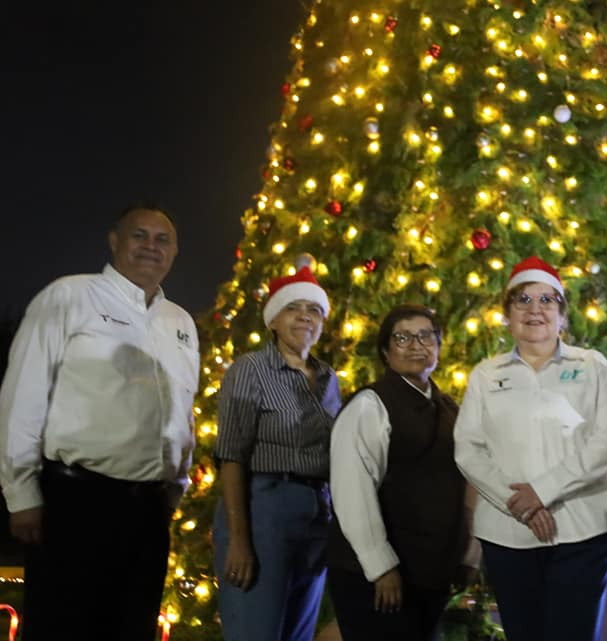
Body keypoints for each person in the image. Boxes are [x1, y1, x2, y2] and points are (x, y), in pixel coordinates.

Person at [0, 206, 198, 641]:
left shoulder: (180, 322)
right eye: (139, 235)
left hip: (148, 512)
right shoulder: (69, 297)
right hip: (77, 502)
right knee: (62, 627)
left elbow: (182, 411)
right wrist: (21, 493)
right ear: (114, 241)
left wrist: (175, 488)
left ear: (175, 251)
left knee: (132, 628)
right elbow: (23, 394)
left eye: (162, 239)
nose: (151, 246)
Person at [453, 256, 607, 641]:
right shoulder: (486, 375)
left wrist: (543, 491)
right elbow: (468, 449)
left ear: (562, 316)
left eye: (547, 300)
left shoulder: (592, 366)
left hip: (582, 532)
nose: (535, 309)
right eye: (523, 300)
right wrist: (520, 504)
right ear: (507, 315)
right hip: (507, 534)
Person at [326, 304, 479, 641]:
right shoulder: (370, 405)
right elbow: (353, 491)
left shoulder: (449, 409)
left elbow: (469, 484)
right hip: (377, 577)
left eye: (426, 336)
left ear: (438, 346)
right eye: (402, 338)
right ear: (385, 351)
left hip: (430, 574)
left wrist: (468, 556)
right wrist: (380, 566)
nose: (415, 345)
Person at [212, 264, 341, 641]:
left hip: (316, 515)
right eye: (292, 308)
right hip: (263, 510)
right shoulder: (250, 369)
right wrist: (239, 539)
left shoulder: (329, 378)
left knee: (298, 633)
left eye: (313, 309)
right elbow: (231, 454)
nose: (304, 316)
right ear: (273, 320)